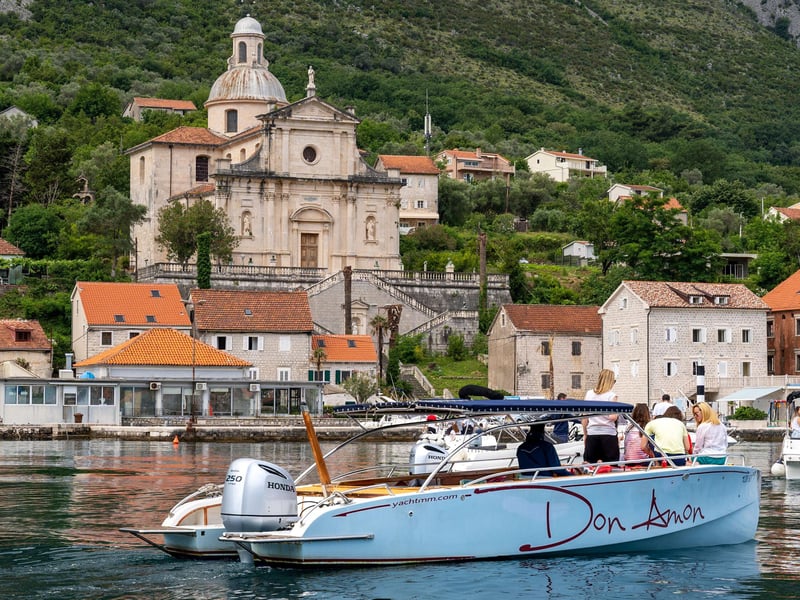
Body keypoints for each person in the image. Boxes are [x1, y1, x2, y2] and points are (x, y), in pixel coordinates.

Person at [582, 369, 620, 463]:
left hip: (592, 433)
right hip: (608, 434)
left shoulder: (589, 394)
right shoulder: (611, 395)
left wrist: (585, 434)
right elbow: (613, 417)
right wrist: (618, 412)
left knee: (589, 464)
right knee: (610, 465)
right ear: (610, 381)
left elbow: (585, 417)